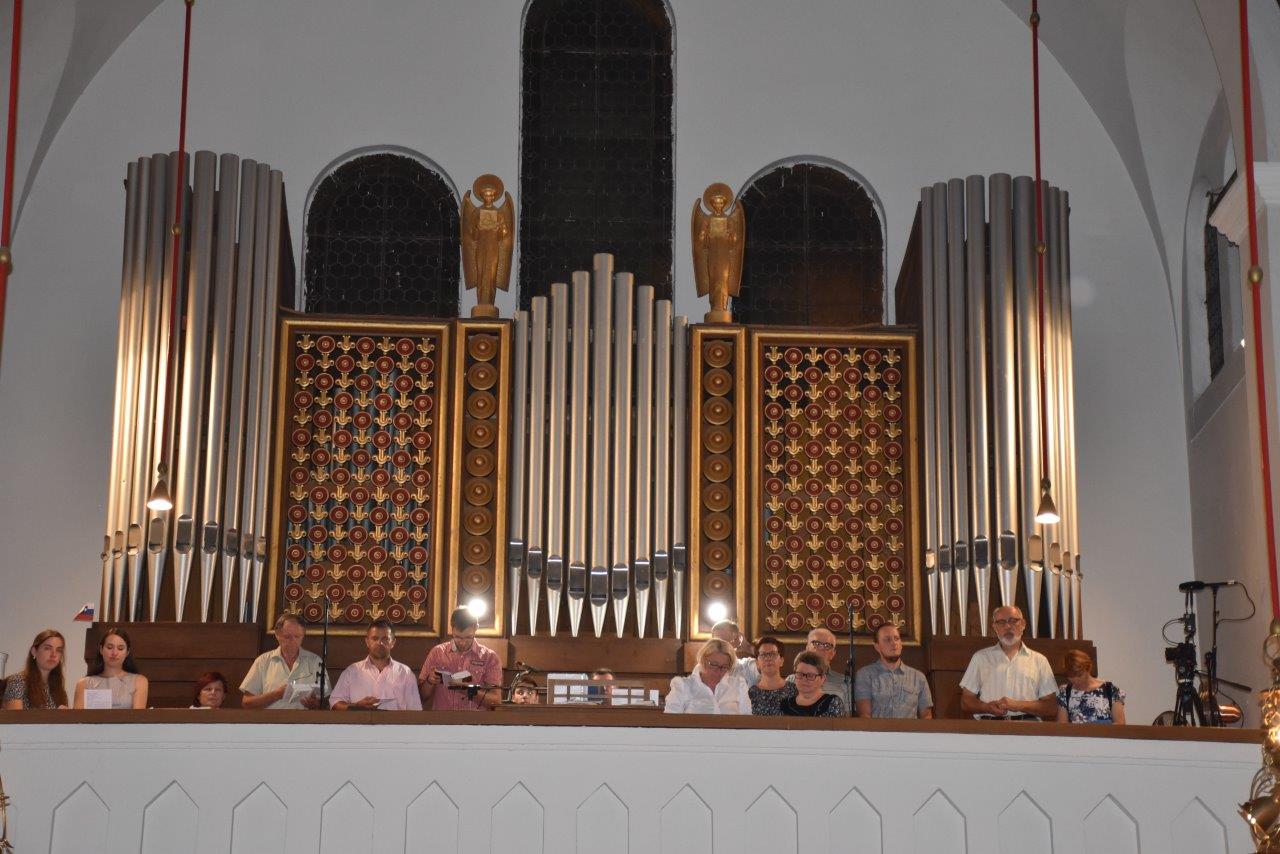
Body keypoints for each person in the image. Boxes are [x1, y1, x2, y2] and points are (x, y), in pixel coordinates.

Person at [960, 605, 1058, 720]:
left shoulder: (1039, 661)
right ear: (995, 627)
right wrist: (986, 707)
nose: (1007, 626)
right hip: (989, 727)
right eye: (1001, 622)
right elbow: (966, 701)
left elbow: (1051, 706)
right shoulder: (980, 658)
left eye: (1013, 621)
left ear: (1023, 624)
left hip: (1028, 727)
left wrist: (1019, 705)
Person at [419, 606, 502, 710]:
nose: (462, 642)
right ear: (451, 629)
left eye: (468, 637)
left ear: (476, 628)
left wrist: (466, 689)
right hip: (443, 719)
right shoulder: (437, 652)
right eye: (457, 637)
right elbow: (421, 697)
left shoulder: (489, 657)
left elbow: (495, 701)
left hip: (475, 720)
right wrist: (429, 681)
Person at [330, 619, 423, 711]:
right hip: (360, 721)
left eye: (385, 639)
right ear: (367, 642)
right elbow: (334, 703)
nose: (380, 643)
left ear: (393, 642)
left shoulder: (405, 673)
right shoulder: (351, 672)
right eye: (375, 638)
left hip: (395, 721)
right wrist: (356, 706)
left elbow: (415, 711)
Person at [240, 614, 326, 709]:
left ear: (303, 636)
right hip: (271, 717)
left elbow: (326, 702)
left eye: (297, 636)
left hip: (304, 718)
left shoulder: (315, 661)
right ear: (277, 635)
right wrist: (276, 695)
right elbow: (247, 703)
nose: (292, 641)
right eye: (287, 637)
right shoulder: (263, 661)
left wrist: (314, 704)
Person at [855, 623, 934, 719]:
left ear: (901, 644)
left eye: (896, 639)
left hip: (909, 729)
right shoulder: (865, 674)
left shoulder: (918, 677)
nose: (894, 643)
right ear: (877, 647)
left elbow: (926, 716)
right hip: (878, 728)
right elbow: (865, 716)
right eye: (887, 640)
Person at [664, 639, 751, 714]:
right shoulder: (683, 685)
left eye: (724, 667)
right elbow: (671, 720)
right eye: (713, 664)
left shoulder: (738, 685)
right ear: (703, 660)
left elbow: (747, 720)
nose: (718, 670)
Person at [74, 627, 148, 709]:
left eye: (120, 648)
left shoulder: (139, 681)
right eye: (109, 647)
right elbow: (78, 716)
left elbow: (138, 716)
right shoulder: (84, 684)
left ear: (127, 652)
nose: (114, 653)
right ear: (101, 649)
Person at [785, 628, 851, 709]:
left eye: (827, 645)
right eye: (816, 643)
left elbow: (848, 715)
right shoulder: (792, 680)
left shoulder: (845, 682)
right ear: (807, 648)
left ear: (832, 654)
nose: (821, 649)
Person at [3, 629, 68, 710]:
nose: (53, 654)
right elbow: (15, 716)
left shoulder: (59, 689)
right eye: (47, 648)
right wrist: (55, 715)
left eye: (58, 650)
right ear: (34, 651)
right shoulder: (18, 681)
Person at [1056, 649, 1125, 724]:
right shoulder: (1064, 692)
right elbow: (1063, 727)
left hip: (1104, 732)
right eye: (1071, 676)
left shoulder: (1110, 690)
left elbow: (1120, 725)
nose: (1075, 680)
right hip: (1076, 732)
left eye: (1079, 675)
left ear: (1088, 669)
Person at [781, 651, 846, 717]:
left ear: (822, 679)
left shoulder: (832, 703)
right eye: (800, 674)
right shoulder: (785, 704)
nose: (804, 679)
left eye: (810, 675)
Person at [748, 636, 795, 716]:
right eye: (763, 655)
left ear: (781, 661)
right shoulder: (750, 694)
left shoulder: (794, 691)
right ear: (757, 663)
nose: (768, 659)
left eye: (772, 654)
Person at [711, 619, 759, 686]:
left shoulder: (748, 665)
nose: (719, 648)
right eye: (716, 643)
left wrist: (749, 649)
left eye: (725, 641)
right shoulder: (705, 667)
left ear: (737, 639)